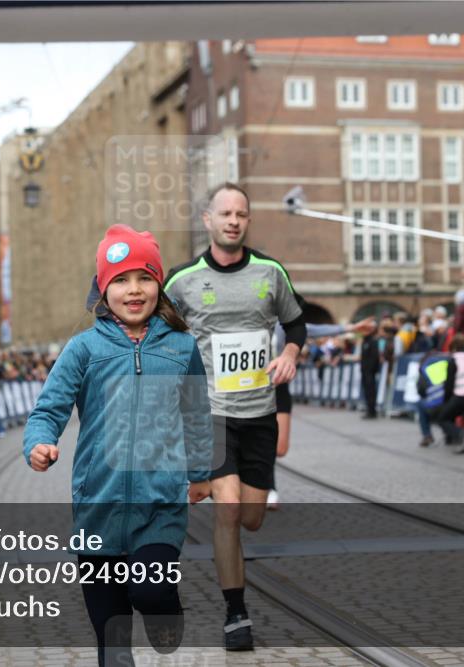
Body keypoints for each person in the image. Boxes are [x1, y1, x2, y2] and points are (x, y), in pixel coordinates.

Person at [24, 225, 213, 667]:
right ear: (103, 288)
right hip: (97, 504)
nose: (134, 290)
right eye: (121, 280)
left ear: (159, 285)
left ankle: (165, 609)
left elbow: (198, 415)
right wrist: (39, 444)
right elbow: (48, 409)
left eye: (145, 278)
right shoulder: (83, 349)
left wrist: (202, 473)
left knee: (151, 591)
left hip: (160, 505)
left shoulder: (182, 348)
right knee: (112, 644)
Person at [164, 183, 306, 651]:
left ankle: (235, 600)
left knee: (251, 518)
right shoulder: (182, 280)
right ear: (207, 219)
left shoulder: (270, 271)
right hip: (212, 415)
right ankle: (235, 613)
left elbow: (296, 321)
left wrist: (289, 351)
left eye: (241, 213)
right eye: (224, 212)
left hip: (260, 413)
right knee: (227, 511)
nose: (233, 220)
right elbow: (154, 327)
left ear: (247, 220)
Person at [267, 315, 375, 510]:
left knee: (279, 448)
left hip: (277, 388)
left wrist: (352, 327)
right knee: (258, 441)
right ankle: (268, 487)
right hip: (250, 393)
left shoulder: (280, 325)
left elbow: (314, 329)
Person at [414, 348, 458, 447]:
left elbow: (421, 390)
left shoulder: (425, 366)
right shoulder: (448, 361)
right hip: (453, 400)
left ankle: (427, 435)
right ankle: (449, 436)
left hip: (435, 404)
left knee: (421, 404)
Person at [359, 320, 382, 420]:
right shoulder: (365, 341)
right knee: (367, 390)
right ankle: (369, 409)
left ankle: (372, 411)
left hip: (370, 371)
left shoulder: (373, 341)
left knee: (371, 390)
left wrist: (371, 369)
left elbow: (374, 357)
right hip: (364, 370)